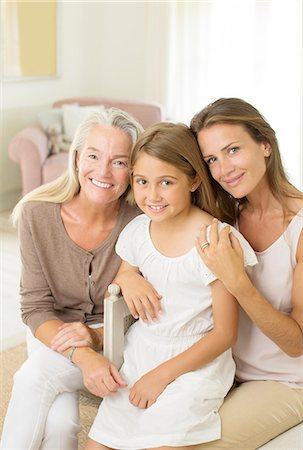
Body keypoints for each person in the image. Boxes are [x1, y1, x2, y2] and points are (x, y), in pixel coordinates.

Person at [85, 122, 258, 450]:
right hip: (142, 354)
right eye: (142, 182)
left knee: (159, 443)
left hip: (194, 364)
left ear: (193, 179)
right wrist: (128, 278)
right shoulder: (138, 230)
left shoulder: (214, 241)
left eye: (166, 182)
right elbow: (124, 272)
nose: (152, 196)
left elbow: (225, 334)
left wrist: (162, 375)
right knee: (98, 445)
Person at [0, 108, 143, 450]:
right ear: (77, 158)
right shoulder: (37, 213)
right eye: (94, 155)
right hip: (53, 329)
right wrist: (84, 355)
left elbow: (141, 309)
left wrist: (95, 338)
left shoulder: (141, 221)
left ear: (133, 170)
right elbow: (35, 308)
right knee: (63, 426)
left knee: (34, 378)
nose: (103, 171)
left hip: (115, 336)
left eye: (119, 162)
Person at [189, 97, 303, 449]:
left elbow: (297, 343)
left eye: (233, 149)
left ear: (265, 145)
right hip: (225, 368)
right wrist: (128, 274)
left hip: (285, 381)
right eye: (212, 159)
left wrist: (238, 281)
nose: (224, 169)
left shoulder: (298, 228)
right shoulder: (224, 215)